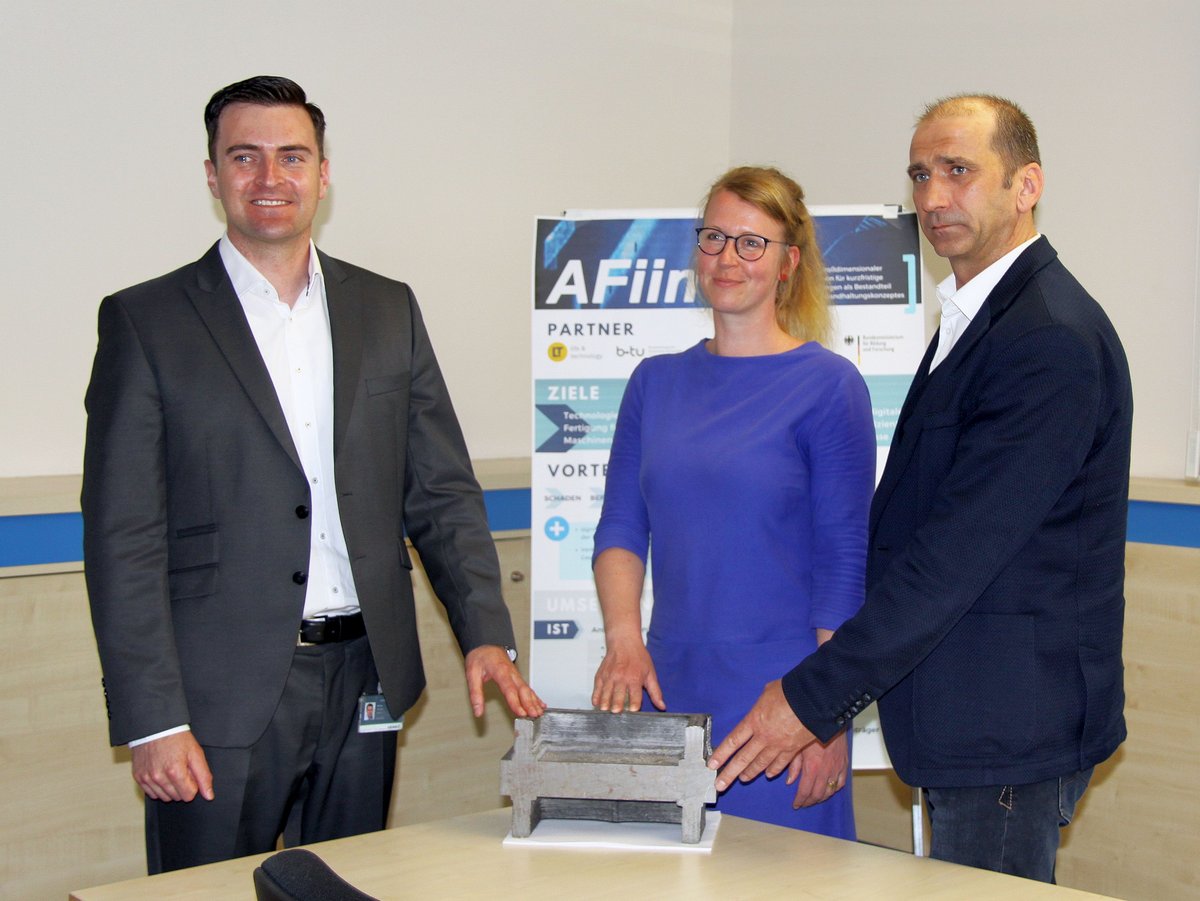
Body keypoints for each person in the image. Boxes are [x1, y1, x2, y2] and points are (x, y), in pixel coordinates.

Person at [82, 75, 544, 873]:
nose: (271, 179)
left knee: (346, 887)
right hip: (215, 699)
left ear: (323, 174)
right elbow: (122, 534)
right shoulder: (145, 320)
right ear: (212, 173)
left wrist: (485, 632)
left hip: (367, 674)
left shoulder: (386, 307)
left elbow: (439, 489)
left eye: (292, 156)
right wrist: (153, 718)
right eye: (245, 157)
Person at [707, 95, 1132, 883]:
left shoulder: (1048, 339)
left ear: (1027, 184)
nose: (933, 197)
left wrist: (810, 699)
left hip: (1006, 732)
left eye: (959, 171)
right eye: (920, 175)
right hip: (970, 723)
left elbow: (951, 560)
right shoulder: (981, 316)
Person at [590, 166, 876, 836]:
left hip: (785, 703)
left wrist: (827, 716)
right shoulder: (653, 383)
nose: (727, 258)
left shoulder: (829, 387)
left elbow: (843, 566)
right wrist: (624, 639)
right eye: (714, 237)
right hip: (667, 691)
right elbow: (621, 529)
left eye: (752, 243)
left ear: (788, 263)